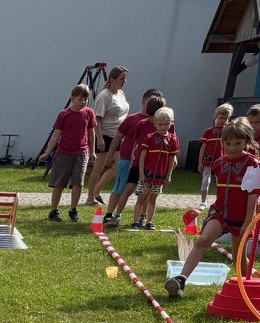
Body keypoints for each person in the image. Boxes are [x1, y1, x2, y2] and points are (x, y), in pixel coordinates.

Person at [166, 118, 260, 298]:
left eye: (237, 143)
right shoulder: (219, 163)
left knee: (238, 257)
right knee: (203, 240)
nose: (232, 148)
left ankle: (247, 287)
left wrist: (248, 221)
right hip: (220, 212)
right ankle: (181, 280)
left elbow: (253, 196)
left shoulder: (253, 165)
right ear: (222, 143)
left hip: (242, 217)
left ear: (247, 142)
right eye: (228, 143)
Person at [36, 84, 98, 222]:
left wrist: (92, 152)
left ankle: (73, 209)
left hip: (81, 153)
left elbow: (91, 134)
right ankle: (54, 211)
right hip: (64, 153)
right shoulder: (64, 114)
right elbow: (55, 135)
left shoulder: (89, 113)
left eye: (85, 99)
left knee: (78, 182)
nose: (82, 102)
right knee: (59, 183)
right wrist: (47, 152)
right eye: (80, 99)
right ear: (72, 98)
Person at [107, 91, 165, 227]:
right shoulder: (138, 121)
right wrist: (130, 155)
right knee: (125, 189)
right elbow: (132, 140)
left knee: (146, 193)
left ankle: (142, 218)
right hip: (133, 162)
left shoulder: (164, 125)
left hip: (151, 165)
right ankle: (114, 215)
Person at [84, 66, 129, 205]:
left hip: (118, 136)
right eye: (122, 78)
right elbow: (96, 119)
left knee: (117, 166)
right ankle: (90, 198)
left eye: (125, 79)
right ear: (112, 79)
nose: (124, 81)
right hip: (105, 135)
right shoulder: (104, 96)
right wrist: (99, 138)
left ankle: (96, 191)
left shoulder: (121, 93)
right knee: (99, 167)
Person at [131, 106, 178, 230]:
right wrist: (141, 173)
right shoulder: (149, 137)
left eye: (166, 124)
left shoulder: (173, 139)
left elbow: (172, 158)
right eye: (160, 124)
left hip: (160, 176)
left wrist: (169, 174)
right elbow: (142, 156)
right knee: (142, 197)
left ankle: (149, 221)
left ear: (171, 123)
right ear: (155, 124)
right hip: (147, 174)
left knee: (153, 198)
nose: (163, 127)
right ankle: (136, 221)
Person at [197, 103, 234, 204]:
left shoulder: (228, 131)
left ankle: (219, 201)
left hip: (222, 160)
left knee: (221, 181)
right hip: (208, 160)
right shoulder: (209, 131)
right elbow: (203, 147)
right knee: (206, 180)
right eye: (221, 118)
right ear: (216, 116)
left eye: (226, 118)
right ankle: (203, 202)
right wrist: (200, 162)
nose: (223, 120)